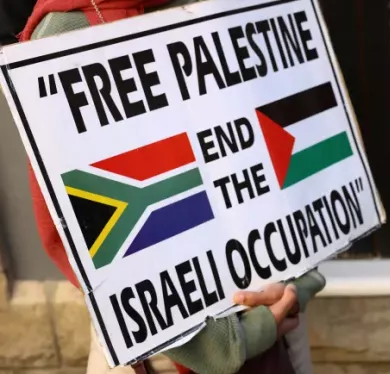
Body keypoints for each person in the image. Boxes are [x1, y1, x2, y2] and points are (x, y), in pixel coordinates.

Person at [20, 0, 326, 373]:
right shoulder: (66, 30)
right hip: (163, 356)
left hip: (279, 316)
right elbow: (83, 234)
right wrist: (235, 340)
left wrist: (295, 288)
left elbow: (300, 154)